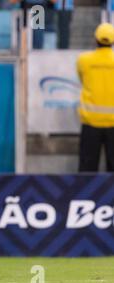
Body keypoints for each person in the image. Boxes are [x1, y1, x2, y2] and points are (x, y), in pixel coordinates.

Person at [77, 23, 114, 172]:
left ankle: (86, 196)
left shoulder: (84, 60)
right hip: (113, 123)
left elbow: (82, 79)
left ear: (95, 39)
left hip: (91, 122)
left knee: (87, 169)